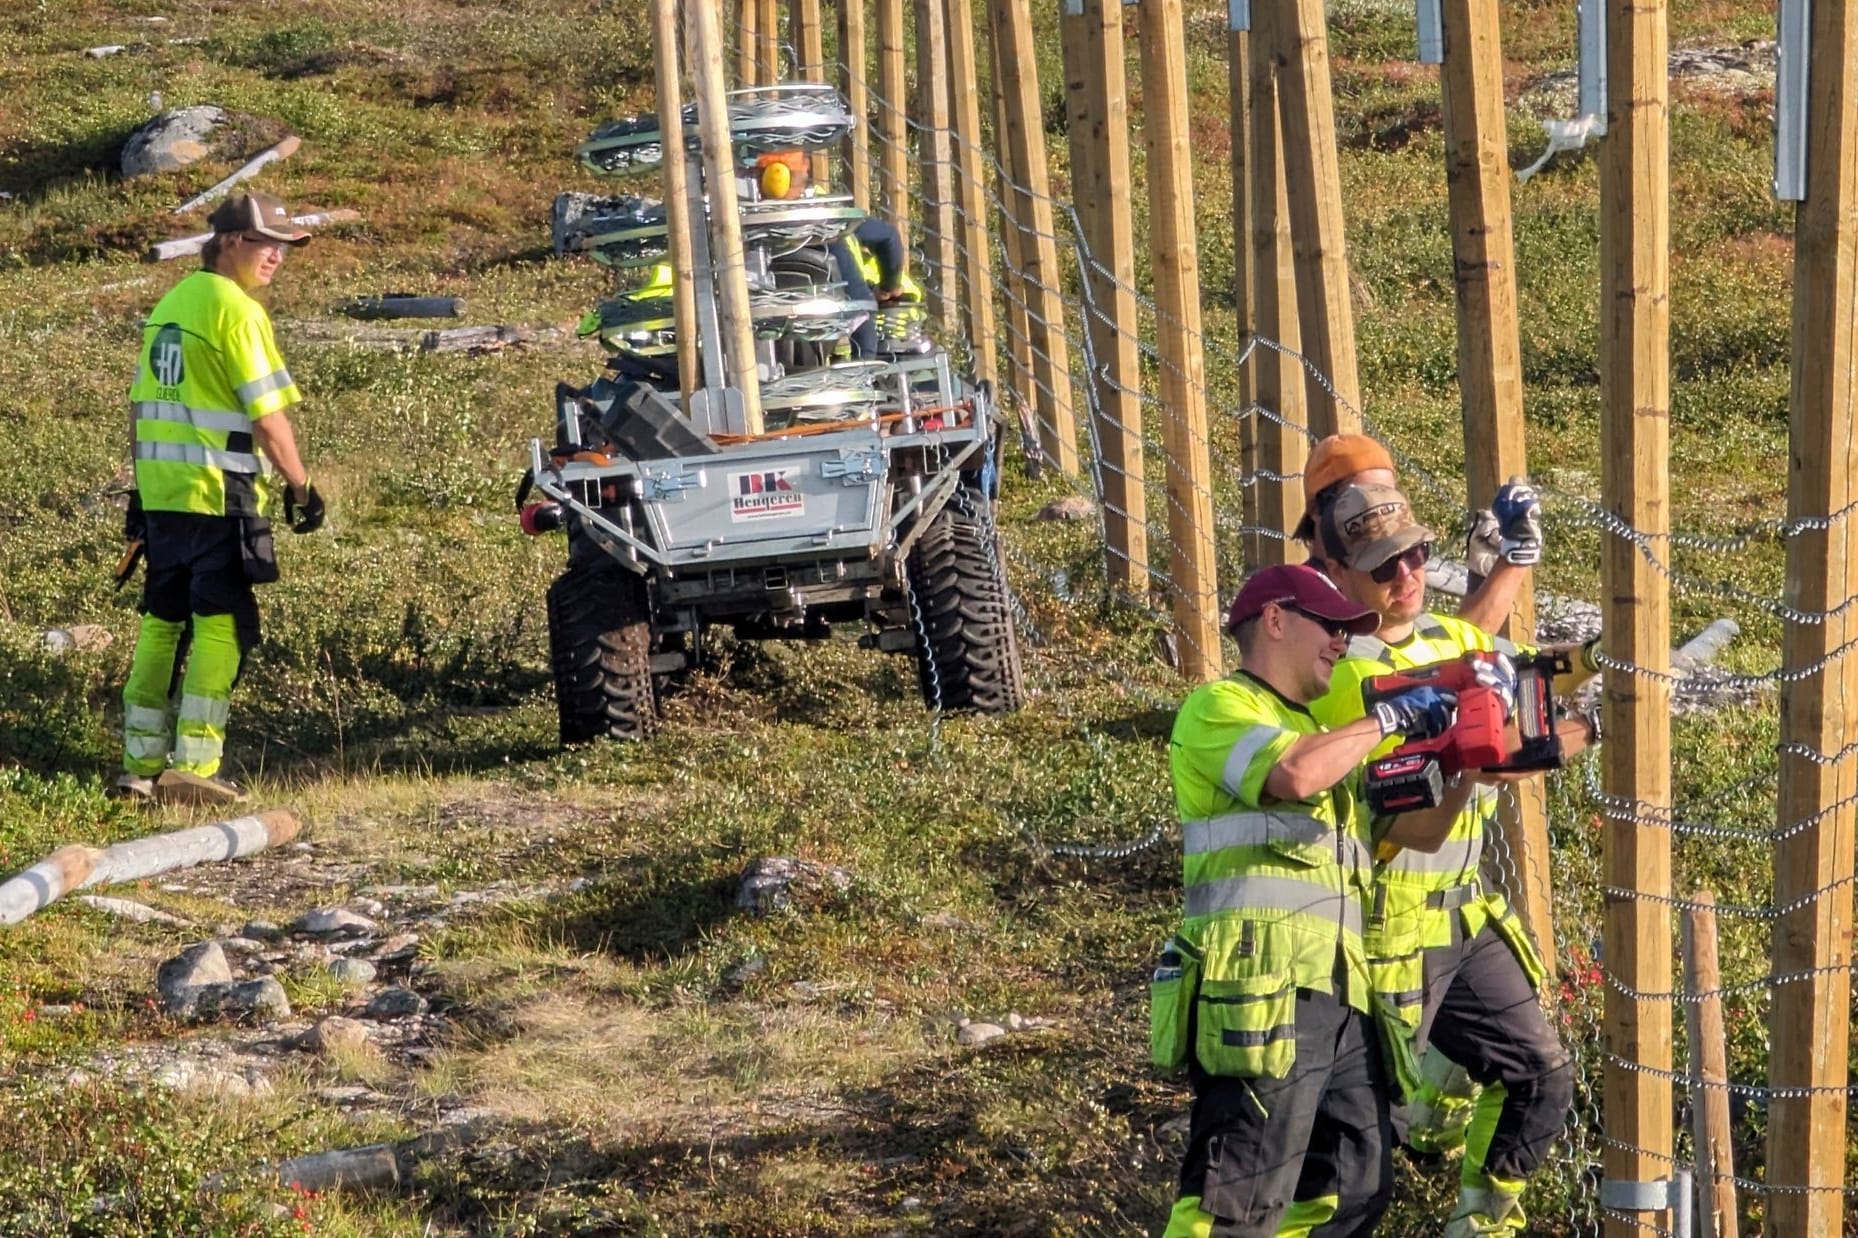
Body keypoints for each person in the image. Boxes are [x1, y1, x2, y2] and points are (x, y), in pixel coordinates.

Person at [1307, 483, 1592, 1236]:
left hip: (1460, 918)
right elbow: (1438, 805)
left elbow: (1521, 673)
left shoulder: (1445, 636)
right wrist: (1521, 746)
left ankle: (1480, 1224)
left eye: (1415, 556)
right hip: (1381, 935)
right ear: (1335, 571)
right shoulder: (1344, 678)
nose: (1405, 577)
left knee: (1539, 1075)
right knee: (1359, 1153)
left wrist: (1600, 668)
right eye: (1382, 567)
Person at [1156, 562, 1470, 1238]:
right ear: (1274, 620)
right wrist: (1381, 718)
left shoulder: (1330, 742)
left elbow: (1419, 830)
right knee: (1237, 1198)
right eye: (1330, 626)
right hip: (1261, 993)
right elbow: (1293, 774)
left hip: (1341, 997)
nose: (1341, 642)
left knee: (1351, 1184)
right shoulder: (1221, 706)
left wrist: (1471, 759)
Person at [116, 192, 326, 807]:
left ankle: (139, 764)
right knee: (222, 623)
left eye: (284, 248)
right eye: (266, 244)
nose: (277, 258)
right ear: (230, 240)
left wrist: (140, 490)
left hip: (162, 496)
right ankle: (196, 767)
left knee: (161, 622)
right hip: (218, 493)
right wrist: (300, 485)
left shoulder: (169, 305)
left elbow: (139, 409)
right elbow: (268, 416)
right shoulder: (237, 312)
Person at [1292, 433, 1542, 640]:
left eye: (1386, 492)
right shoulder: (1308, 603)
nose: (1382, 508)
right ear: (1316, 510)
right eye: (1363, 496)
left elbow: (1441, 653)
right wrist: (1515, 558)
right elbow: (1441, 669)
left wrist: (1480, 580)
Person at [752, 150, 924, 358]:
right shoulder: (826, 220)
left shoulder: (751, 224)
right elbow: (888, 238)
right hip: (849, 328)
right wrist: (889, 287)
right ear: (805, 166)